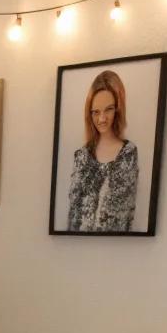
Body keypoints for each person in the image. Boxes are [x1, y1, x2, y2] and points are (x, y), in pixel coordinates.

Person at [66, 69, 138, 232]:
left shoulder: (128, 154)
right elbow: (73, 214)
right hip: (76, 245)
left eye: (109, 109)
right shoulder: (81, 156)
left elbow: (126, 214)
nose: (102, 119)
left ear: (118, 109)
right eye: (96, 112)